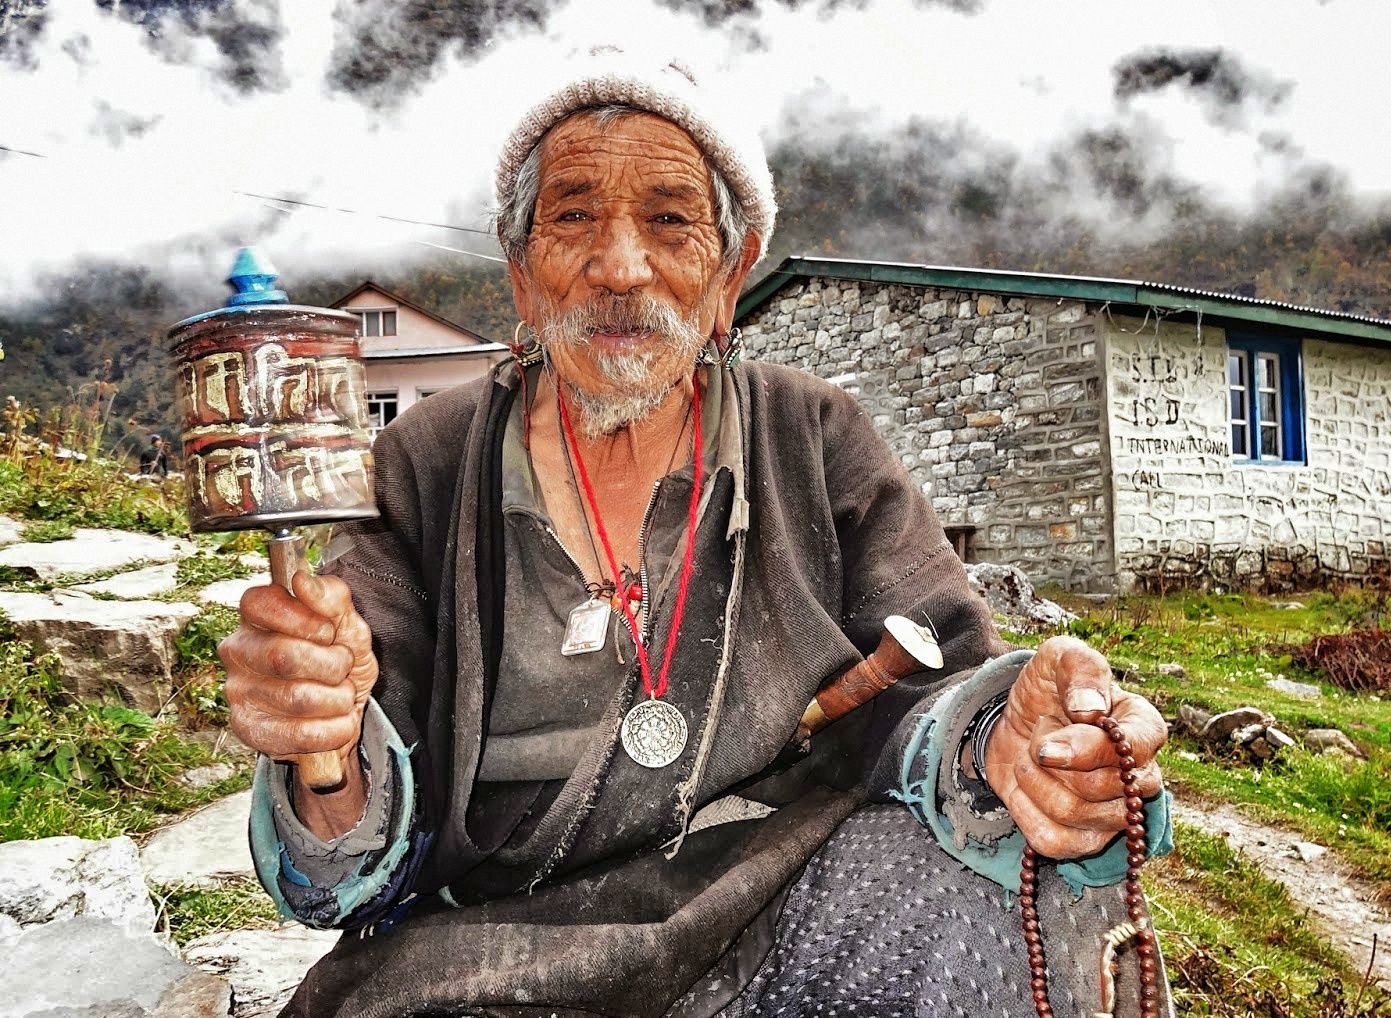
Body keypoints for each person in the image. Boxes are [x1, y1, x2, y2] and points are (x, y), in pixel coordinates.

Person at [220, 55, 1174, 1018]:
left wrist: (1017, 742)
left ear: (730, 273)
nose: (621, 266)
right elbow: (353, 814)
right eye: (574, 216)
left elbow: (940, 684)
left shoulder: (811, 431)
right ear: (520, 270)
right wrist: (320, 746)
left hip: (776, 897)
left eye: (671, 220)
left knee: (1016, 886)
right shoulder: (425, 461)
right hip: (497, 953)